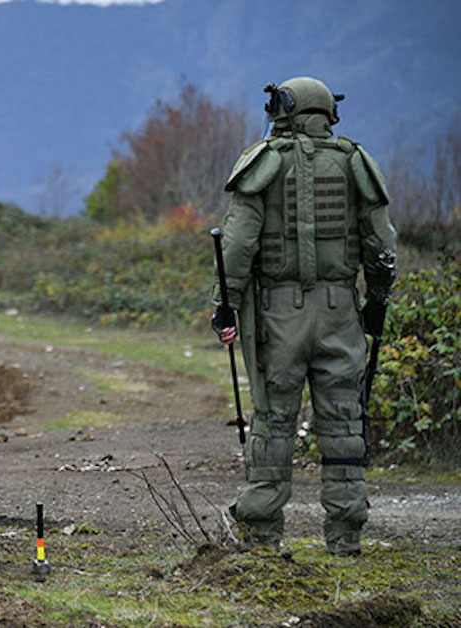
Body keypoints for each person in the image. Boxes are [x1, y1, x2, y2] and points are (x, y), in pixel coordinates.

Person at [212, 77, 396, 556]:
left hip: (278, 315)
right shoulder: (356, 163)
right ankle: (345, 536)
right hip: (340, 312)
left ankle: (262, 535)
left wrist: (225, 305)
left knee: (273, 421)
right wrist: (376, 302)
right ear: (326, 113)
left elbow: (236, 246)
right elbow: (383, 247)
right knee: (343, 420)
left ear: (283, 110)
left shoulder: (262, 164)